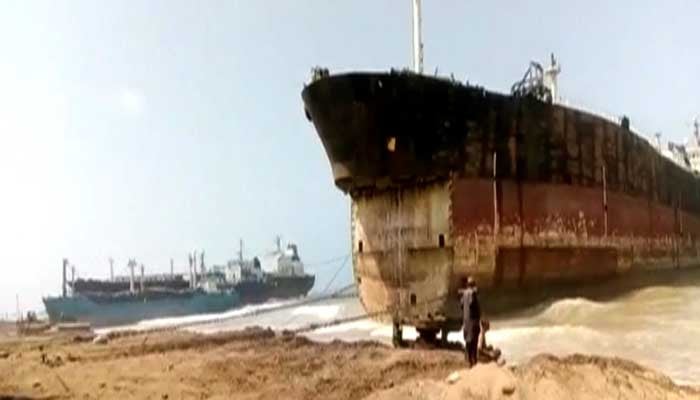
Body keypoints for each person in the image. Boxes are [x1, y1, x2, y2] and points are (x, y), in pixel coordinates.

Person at [459, 276, 481, 367]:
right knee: (474, 343)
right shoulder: (472, 294)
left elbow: (461, 306)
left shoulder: (464, 295)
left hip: (466, 322)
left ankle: (468, 361)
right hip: (473, 322)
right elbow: (472, 304)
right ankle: (473, 363)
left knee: (468, 342)